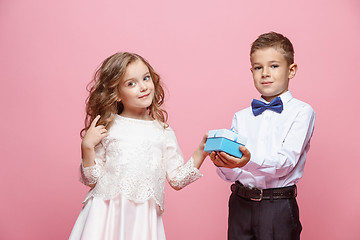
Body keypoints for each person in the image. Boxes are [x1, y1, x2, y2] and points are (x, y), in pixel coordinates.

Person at [69, 52, 208, 240]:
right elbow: (91, 179)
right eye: (131, 83)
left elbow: (177, 180)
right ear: (116, 94)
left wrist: (202, 151)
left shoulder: (163, 132)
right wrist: (87, 146)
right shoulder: (108, 127)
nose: (143, 87)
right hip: (105, 215)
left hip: (143, 219)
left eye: (146, 78)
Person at [210, 32, 316, 240]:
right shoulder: (241, 117)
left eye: (274, 66)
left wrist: (248, 160)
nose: (265, 73)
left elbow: (286, 162)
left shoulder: (302, 112)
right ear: (251, 71)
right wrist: (224, 163)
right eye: (258, 67)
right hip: (240, 204)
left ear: (291, 70)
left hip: (277, 207)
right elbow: (234, 173)